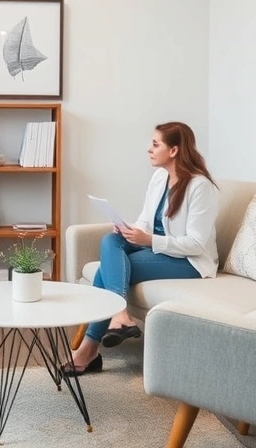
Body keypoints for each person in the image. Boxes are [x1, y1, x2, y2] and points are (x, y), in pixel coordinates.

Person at [63, 121, 220, 376]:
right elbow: (146, 221)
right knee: (110, 241)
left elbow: (196, 244)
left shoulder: (199, 186)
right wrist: (129, 230)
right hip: (157, 249)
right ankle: (120, 315)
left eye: (156, 144)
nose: (149, 149)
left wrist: (148, 240)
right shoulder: (159, 178)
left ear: (174, 150)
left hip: (189, 261)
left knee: (105, 271)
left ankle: (90, 349)